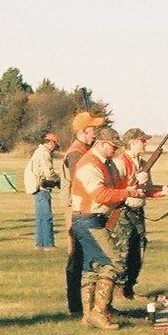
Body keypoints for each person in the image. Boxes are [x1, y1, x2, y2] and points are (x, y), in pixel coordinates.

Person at [69, 128, 142, 328]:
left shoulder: (104, 164)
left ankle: (87, 316)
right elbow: (101, 195)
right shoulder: (89, 165)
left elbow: (118, 188)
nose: (115, 150)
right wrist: (127, 192)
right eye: (112, 146)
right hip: (88, 219)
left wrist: (135, 187)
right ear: (101, 144)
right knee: (113, 263)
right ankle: (99, 312)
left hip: (92, 219)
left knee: (91, 268)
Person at [61, 112, 104, 314]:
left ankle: (89, 305)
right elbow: (83, 182)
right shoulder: (76, 154)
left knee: (86, 256)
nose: (95, 134)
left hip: (84, 208)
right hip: (78, 209)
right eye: (92, 130)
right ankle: (76, 306)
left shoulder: (84, 150)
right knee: (77, 257)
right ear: (81, 132)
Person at [109, 128, 156, 299]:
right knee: (123, 249)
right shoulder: (120, 162)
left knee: (139, 248)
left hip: (138, 210)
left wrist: (161, 192)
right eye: (142, 141)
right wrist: (135, 182)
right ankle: (119, 289)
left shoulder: (143, 164)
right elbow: (115, 188)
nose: (145, 144)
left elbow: (148, 190)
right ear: (133, 142)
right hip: (123, 210)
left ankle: (129, 287)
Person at [23, 131, 62, 250]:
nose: (55, 148)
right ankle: (48, 244)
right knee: (46, 216)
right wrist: (59, 179)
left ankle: (40, 244)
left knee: (40, 217)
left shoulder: (39, 151)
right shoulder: (44, 153)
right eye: (55, 145)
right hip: (42, 187)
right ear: (51, 142)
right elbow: (48, 173)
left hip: (36, 187)